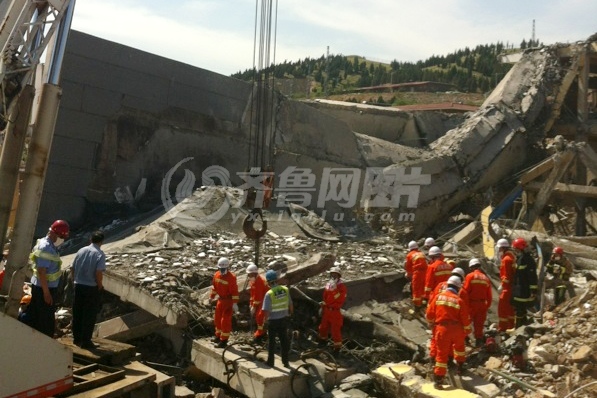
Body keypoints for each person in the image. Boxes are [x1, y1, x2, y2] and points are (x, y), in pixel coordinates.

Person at [426, 275, 472, 388]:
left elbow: (429, 314)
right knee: (460, 348)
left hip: (442, 329)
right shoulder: (459, 300)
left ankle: (439, 380)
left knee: (441, 354)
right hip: (457, 329)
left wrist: (432, 323)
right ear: (457, 288)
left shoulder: (438, 297)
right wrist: (467, 331)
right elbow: (465, 318)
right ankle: (460, 367)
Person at [27, 220, 69, 337]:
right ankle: (43, 342)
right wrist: (46, 293)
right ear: (55, 233)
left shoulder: (47, 244)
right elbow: (42, 271)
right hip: (44, 289)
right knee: (45, 321)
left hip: (43, 287)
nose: (62, 240)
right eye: (61, 237)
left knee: (37, 316)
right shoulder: (46, 247)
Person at [71, 230, 106, 349]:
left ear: (90, 239)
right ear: (101, 242)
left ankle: (76, 338)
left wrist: (73, 281)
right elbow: (98, 273)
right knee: (89, 315)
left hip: (78, 285)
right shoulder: (99, 254)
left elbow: (72, 268)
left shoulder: (81, 250)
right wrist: (100, 285)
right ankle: (86, 341)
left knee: (77, 312)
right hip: (91, 288)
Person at [428, 267, 469, 362]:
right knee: (452, 343)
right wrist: (466, 329)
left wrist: (431, 321)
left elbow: (432, 301)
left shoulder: (440, 286)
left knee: (436, 341)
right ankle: (450, 360)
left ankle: (433, 358)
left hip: (438, 320)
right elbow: (465, 311)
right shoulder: (461, 292)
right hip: (455, 324)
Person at [262, 269, 293, 368]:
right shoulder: (285, 289)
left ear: (268, 282)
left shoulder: (269, 293)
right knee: (284, 341)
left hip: (272, 321)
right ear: (276, 280)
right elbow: (290, 305)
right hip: (283, 319)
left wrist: (264, 321)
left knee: (271, 342)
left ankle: (270, 362)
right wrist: (290, 314)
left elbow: (266, 311)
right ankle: (286, 362)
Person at [209, 257, 239, 348]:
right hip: (220, 300)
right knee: (217, 319)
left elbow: (234, 291)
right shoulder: (216, 275)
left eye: (224, 268)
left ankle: (224, 340)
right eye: (220, 268)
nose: (222, 270)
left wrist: (234, 303)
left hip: (228, 301)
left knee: (225, 321)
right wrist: (211, 297)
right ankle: (218, 336)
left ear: (228, 268)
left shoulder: (231, 277)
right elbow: (214, 287)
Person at [318, 266, 347, 357]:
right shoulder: (328, 284)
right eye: (332, 274)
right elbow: (325, 296)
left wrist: (334, 290)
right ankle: (322, 343)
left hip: (334, 311)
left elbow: (339, 299)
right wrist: (323, 304)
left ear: (339, 276)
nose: (333, 276)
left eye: (335, 275)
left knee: (335, 330)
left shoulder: (342, 287)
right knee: (323, 327)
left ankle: (337, 349)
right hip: (327, 310)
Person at [462, 258, 492, 346]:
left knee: (466, 322)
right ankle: (479, 340)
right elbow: (489, 295)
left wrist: (464, 304)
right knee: (479, 324)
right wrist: (486, 306)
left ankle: (464, 339)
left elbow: (465, 291)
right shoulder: (486, 278)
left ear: (471, 267)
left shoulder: (470, 276)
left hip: (472, 303)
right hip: (482, 304)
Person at [511, 238, 537, 328]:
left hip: (524, 289)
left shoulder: (528, 260)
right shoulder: (520, 259)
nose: (515, 251)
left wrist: (533, 290)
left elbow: (532, 276)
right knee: (520, 309)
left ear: (520, 249)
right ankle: (523, 327)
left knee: (520, 309)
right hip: (519, 289)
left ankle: (518, 328)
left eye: (516, 249)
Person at [496, 238, 516, 332]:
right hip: (511, 287)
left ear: (502, 248)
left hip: (507, 288)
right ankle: (510, 326)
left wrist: (502, 285)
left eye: (499, 249)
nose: (498, 251)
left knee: (503, 308)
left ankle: (503, 328)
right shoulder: (511, 257)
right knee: (510, 309)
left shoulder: (506, 259)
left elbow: (507, 276)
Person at [246, 262, 268, 344]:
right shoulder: (253, 281)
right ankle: (262, 334)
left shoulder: (260, 281)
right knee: (258, 318)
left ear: (255, 274)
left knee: (260, 318)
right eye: (248, 275)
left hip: (264, 301)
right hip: (259, 301)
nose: (249, 277)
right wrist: (251, 304)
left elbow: (258, 296)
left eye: (250, 275)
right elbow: (253, 294)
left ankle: (260, 335)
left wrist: (254, 306)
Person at [404, 240, 427, 310]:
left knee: (416, 289)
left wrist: (408, 274)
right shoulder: (421, 253)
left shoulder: (409, 255)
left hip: (418, 273)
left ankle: (417, 306)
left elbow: (408, 267)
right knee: (423, 287)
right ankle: (423, 301)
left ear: (410, 248)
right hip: (425, 272)